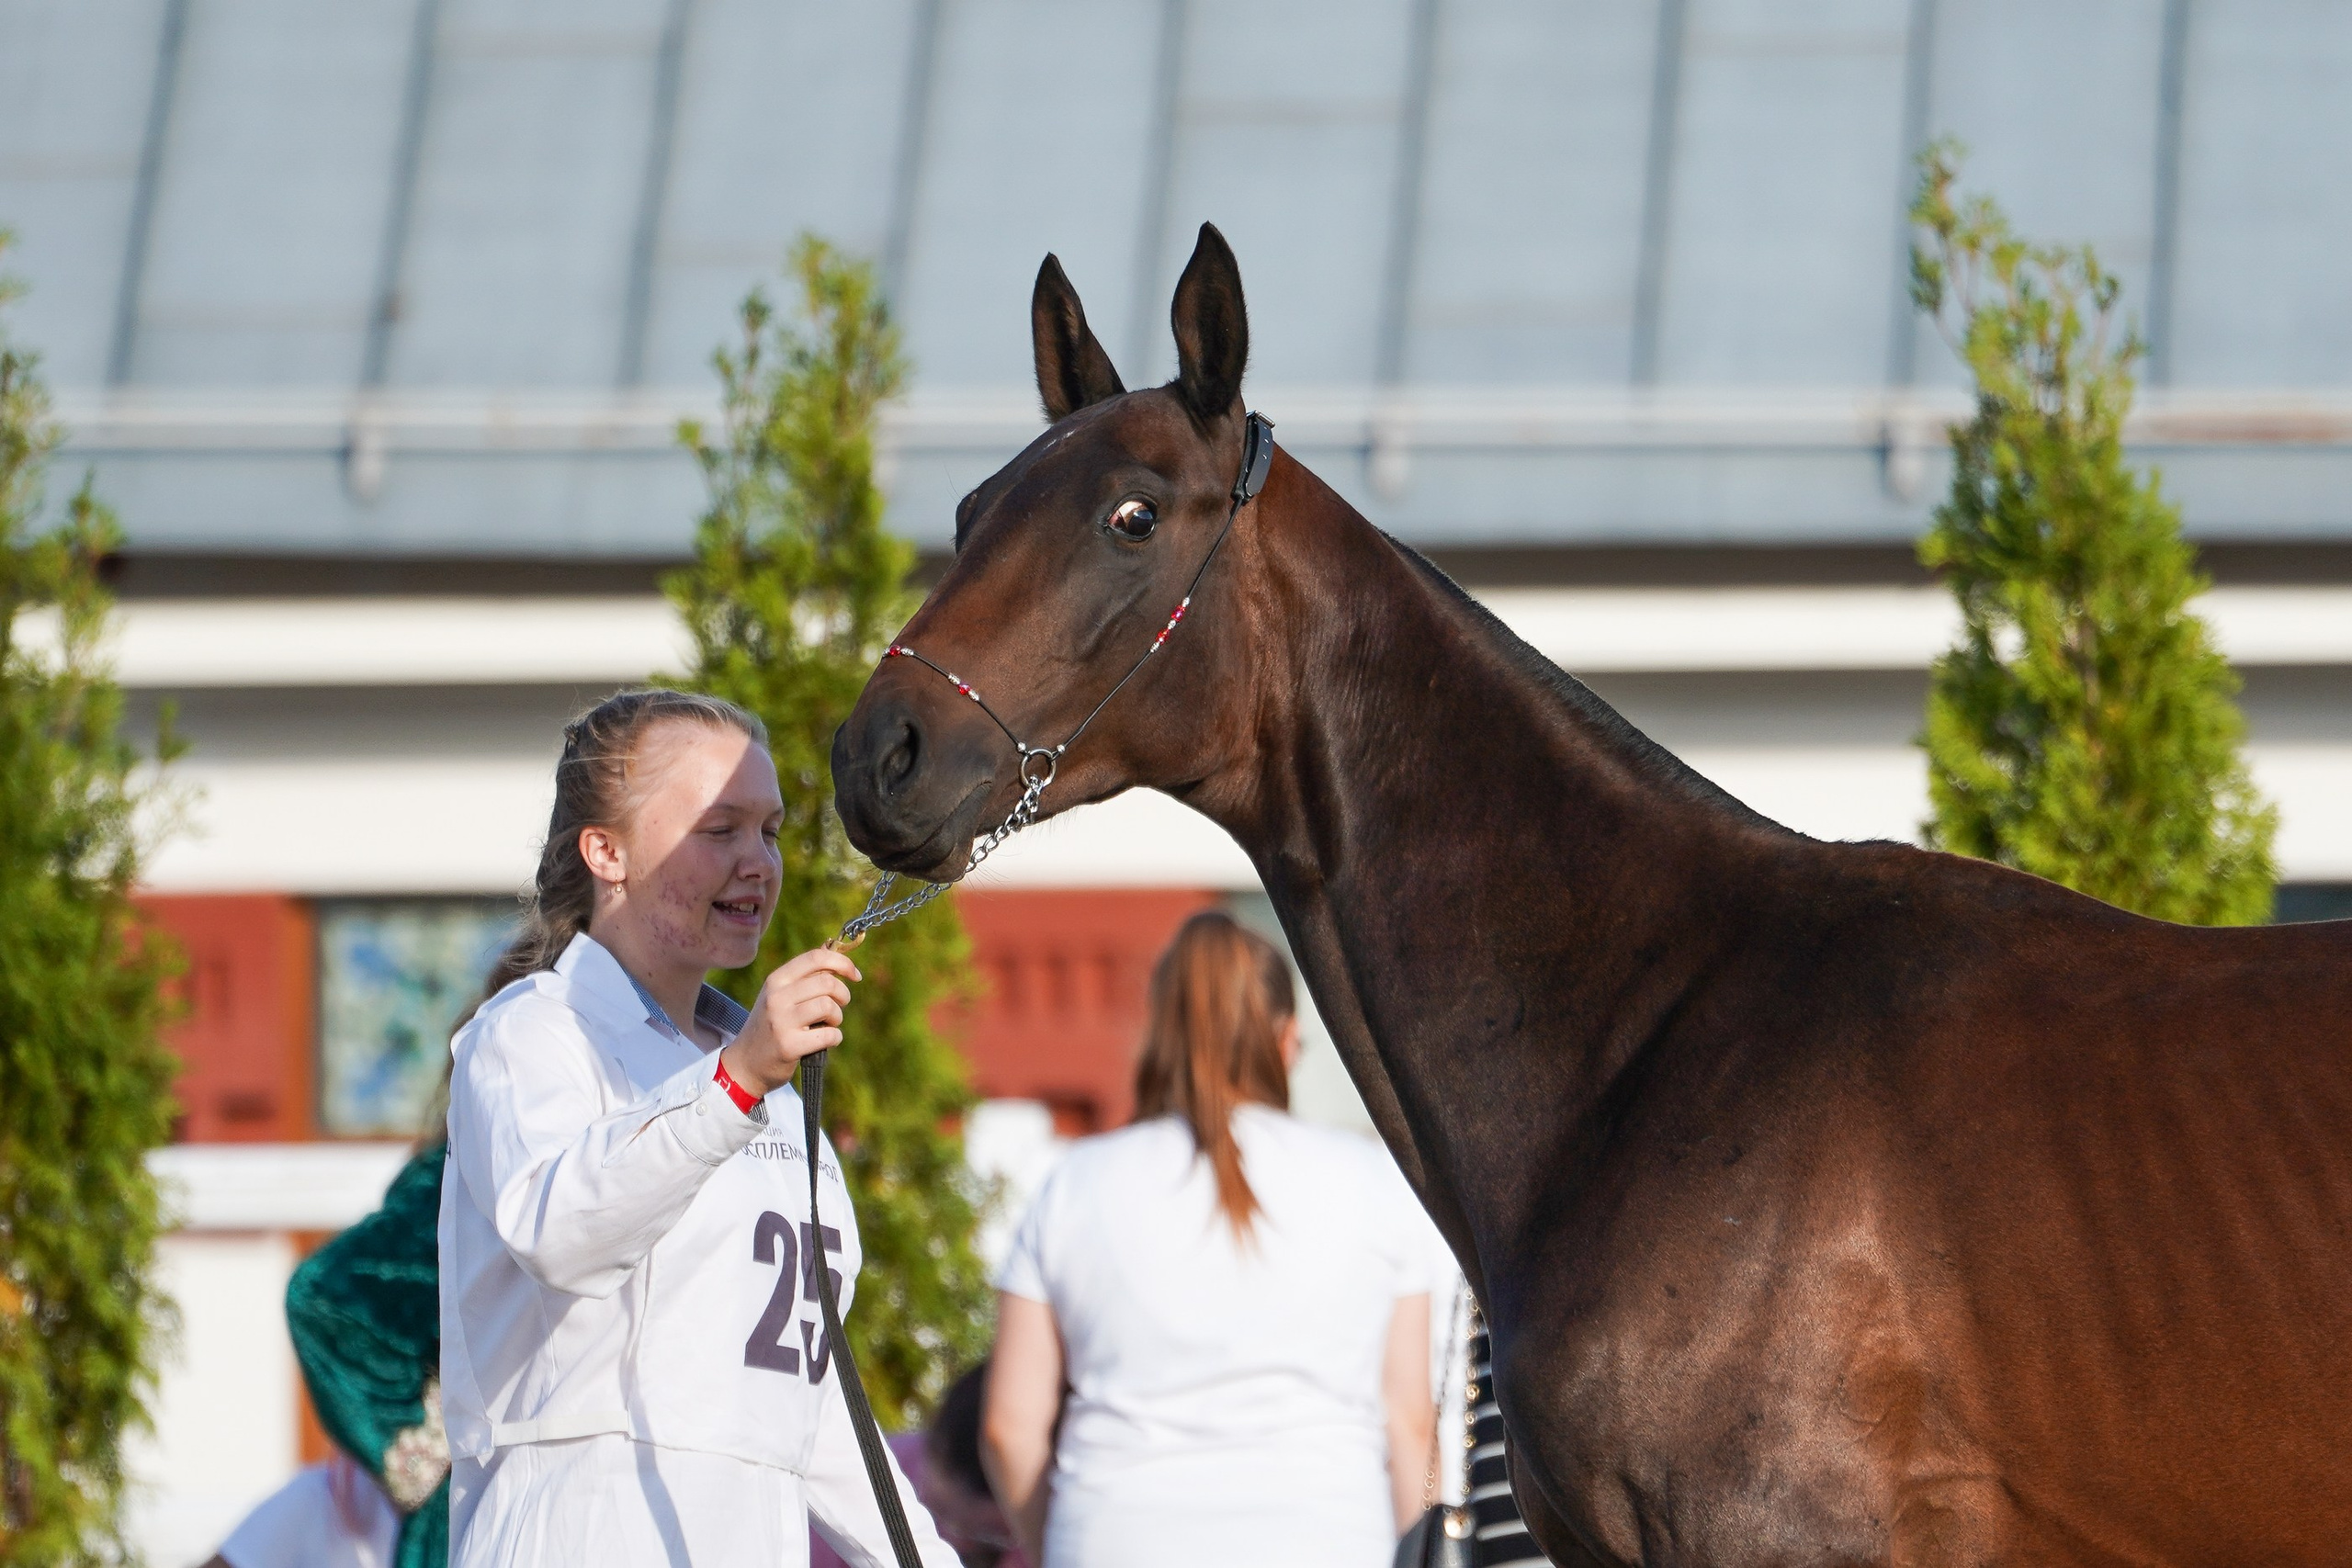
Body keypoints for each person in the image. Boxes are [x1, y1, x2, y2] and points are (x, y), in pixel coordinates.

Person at [438, 688, 961, 1568]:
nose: (757, 861)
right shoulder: (532, 1031)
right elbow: (562, 1232)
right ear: (606, 852)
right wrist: (738, 1079)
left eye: (770, 830)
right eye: (720, 829)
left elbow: (806, 1396)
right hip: (582, 1527)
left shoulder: (779, 1098)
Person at [980, 912, 1441, 1568]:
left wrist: (1064, 1541)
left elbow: (1009, 1428)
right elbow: (1411, 1425)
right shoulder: (1372, 1182)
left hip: (1117, 1541)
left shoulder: (1074, 1183)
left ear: (1161, 1035)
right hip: (1329, 1541)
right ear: (1285, 1042)